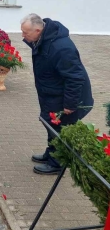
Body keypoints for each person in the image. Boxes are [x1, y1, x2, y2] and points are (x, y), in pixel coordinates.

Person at [21, 13, 94, 175]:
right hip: (51, 93)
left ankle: (57, 163)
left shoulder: (61, 47)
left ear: (38, 30)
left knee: (59, 128)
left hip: (64, 97)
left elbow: (75, 77)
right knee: (50, 124)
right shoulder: (43, 40)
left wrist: (70, 104)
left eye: (26, 33)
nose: (23, 36)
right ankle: (52, 152)